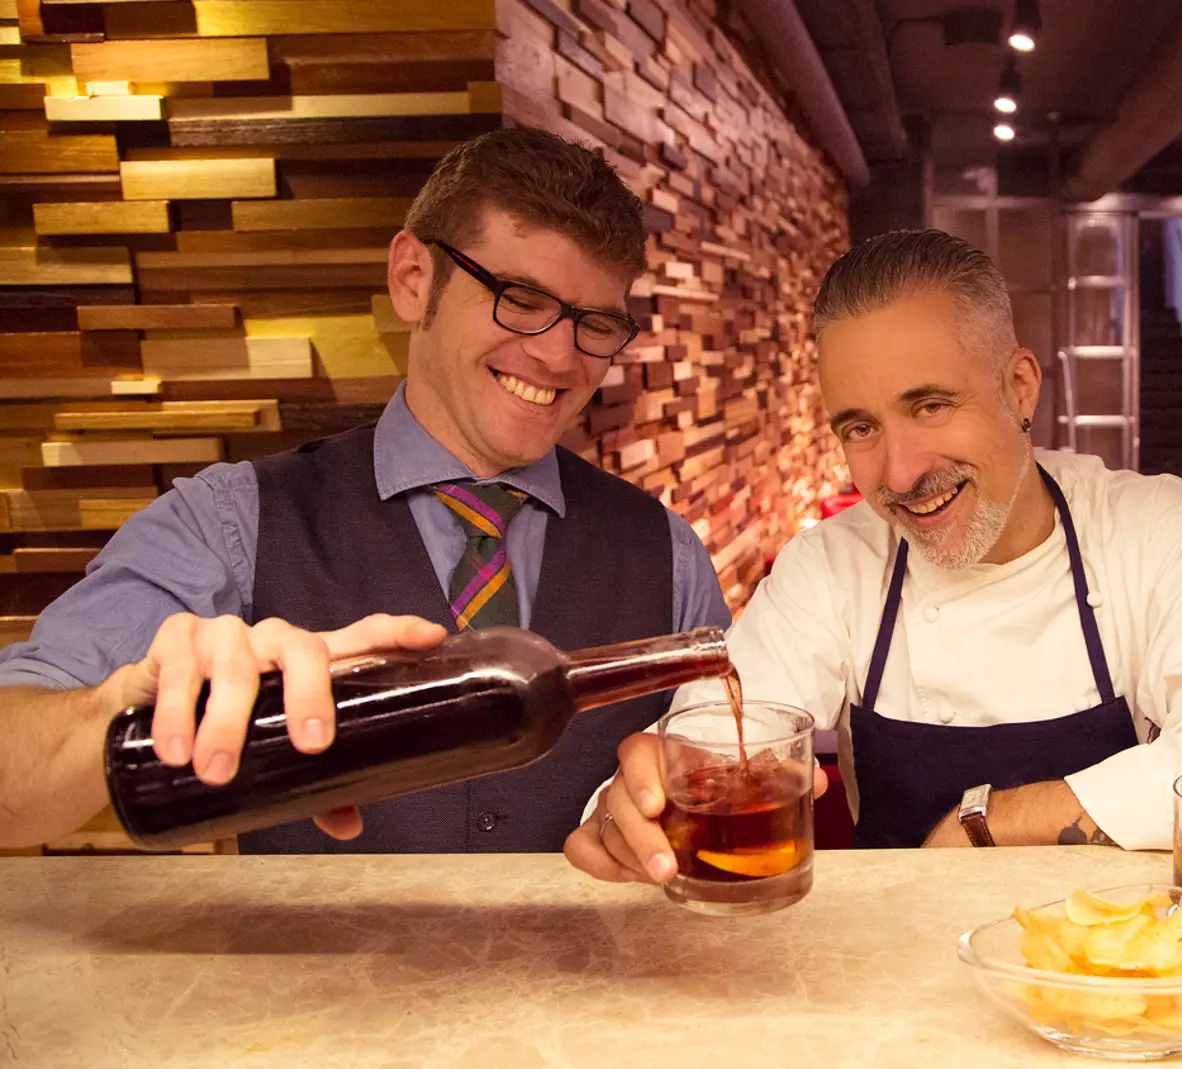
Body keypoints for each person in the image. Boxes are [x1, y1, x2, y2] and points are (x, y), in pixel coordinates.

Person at [0, 128, 728, 853]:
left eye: (593, 323)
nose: (558, 354)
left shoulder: (669, 555)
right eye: (521, 298)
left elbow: (724, 778)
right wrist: (118, 706)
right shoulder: (227, 521)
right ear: (414, 279)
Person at [564, 229, 1182, 883]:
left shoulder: (1155, 531)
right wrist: (639, 801)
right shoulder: (832, 567)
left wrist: (990, 821)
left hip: (1112, 971)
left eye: (929, 405)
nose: (898, 474)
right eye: (859, 427)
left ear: (1020, 387)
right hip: (892, 988)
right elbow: (714, 740)